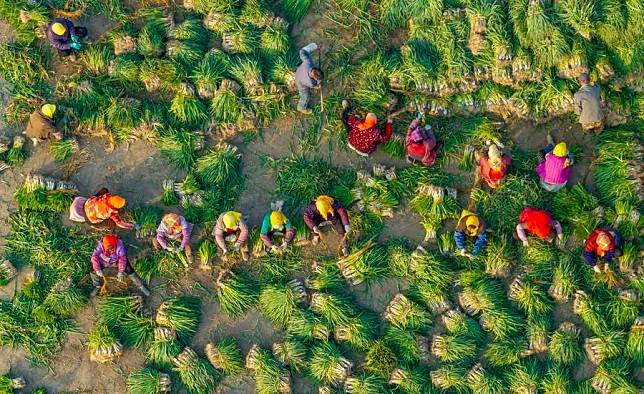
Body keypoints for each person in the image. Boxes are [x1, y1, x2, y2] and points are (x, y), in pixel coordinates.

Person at [69, 188, 135, 229]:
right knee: (111, 223)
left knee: (104, 190)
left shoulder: (106, 196)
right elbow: (119, 223)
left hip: (87, 204)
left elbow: (104, 193)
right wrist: (129, 226)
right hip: (90, 219)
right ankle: (95, 226)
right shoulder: (110, 212)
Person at [295, 43, 324, 115]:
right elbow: (314, 84)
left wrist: (315, 46)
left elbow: (302, 51)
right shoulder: (310, 82)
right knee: (306, 96)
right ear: (314, 78)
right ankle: (301, 107)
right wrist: (318, 82)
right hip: (300, 83)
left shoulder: (308, 62)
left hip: (298, 72)